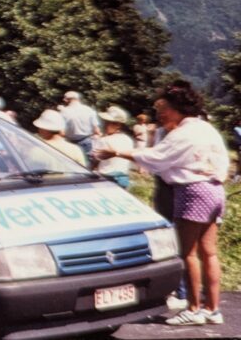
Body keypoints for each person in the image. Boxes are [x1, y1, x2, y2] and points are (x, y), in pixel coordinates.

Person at [94, 80, 229, 326]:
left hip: (192, 190)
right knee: (209, 252)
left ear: (177, 108)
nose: (159, 115)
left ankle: (195, 309)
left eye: (162, 110)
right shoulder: (206, 128)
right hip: (214, 190)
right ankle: (213, 309)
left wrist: (116, 153)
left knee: (187, 253)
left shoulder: (182, 133)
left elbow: (157, 157)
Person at [91, 107, 133, 188]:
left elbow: (95, 160)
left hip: (106, 177)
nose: (104, 125)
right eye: (104, 122)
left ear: (118, 125)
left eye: (109, 123)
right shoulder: (128, 139)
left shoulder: (103, 140)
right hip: (123, 177)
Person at [60, 91, 101, 156]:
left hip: (70, 143)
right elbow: (97, 130)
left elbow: (62, 132)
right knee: (86, 164)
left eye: (65, 98)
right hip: (86, 141)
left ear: (70, 100)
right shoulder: (89, 110)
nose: (64, 100)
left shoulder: (64, 112)